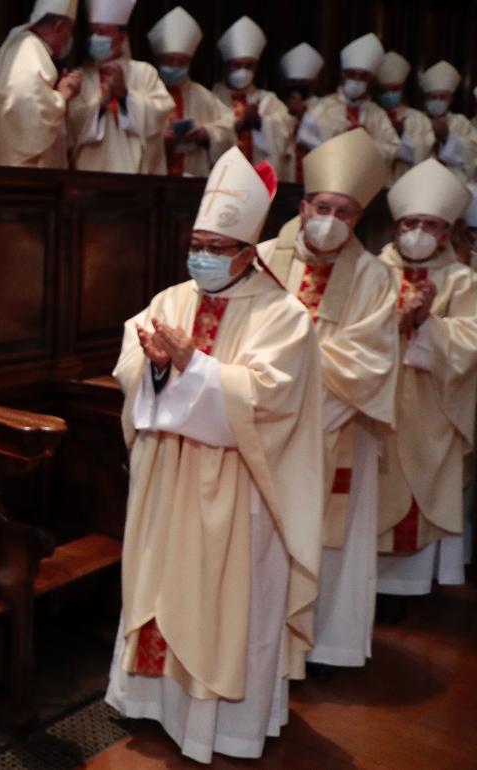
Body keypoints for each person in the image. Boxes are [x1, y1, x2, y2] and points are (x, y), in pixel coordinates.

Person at [106, 146, 323, 763]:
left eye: (215, 246)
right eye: (196, 242)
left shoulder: (285, 318)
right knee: (157, 588)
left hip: (238, 493)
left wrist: (191, 366)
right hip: (165, 485)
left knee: (224, 608)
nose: (200, 256)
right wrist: (149, 365)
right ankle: (153, 707)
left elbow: (270, 400)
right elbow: (130, 363)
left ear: (249, 253)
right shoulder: (171, 299)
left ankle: (219, 728)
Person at [258, 129, 399, 670]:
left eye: (346, 212)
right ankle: (268, 648)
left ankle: (321, 647)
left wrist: (294, 381)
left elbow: (370, 362)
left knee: (329, 540)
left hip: (334, 429)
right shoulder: (266, 257)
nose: (332, 220)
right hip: (264, 425)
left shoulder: (372, 276)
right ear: (303, 204)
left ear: (359, 218)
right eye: (324, 207)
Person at [376, 159, 477, 598]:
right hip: (375, 404)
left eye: (431, 224)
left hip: (433, 408)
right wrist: (398, 319)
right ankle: (371, 586)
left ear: (446, 231)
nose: (419, 231)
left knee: (422, 485)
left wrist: (425, 324)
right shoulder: (370, 271)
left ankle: (409, 587)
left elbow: (470, 339)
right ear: (396, 227)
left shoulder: (462, 279)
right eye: (411, 222)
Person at [0, 0, 81, 168]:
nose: (69, 40)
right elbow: (25, 107)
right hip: (17, 175)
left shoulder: (24, 46)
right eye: (70, 30)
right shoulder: (29, 50)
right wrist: (62, 97)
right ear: (58, 27)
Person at [67, 0, 173, 174]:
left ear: (122, 37)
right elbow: (71, 124)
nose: (95, 38)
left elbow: (160, 113)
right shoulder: (81, 76)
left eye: (102, 32)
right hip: (88, 170)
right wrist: (100, 103)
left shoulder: (144, 73)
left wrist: (125, 95)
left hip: (132, 170)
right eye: (92, 32)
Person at [146, 7, 234, 177]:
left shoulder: (203, 96)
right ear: (159, 60)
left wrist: (206, 132)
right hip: (154, 178)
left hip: (192, 178)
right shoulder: (146, 90)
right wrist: (158, 140)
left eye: (182, 62)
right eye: (170, 60)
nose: (175, 66)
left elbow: (230, 130)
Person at [298, 33, 400, 174]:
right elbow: (305, 141)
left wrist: (367, 142)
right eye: (351, 74)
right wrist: (341, 139)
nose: (356, 80)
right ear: (343, 74)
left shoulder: (377, 114)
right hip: (328, 176)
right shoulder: (322, 107)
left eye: (363, 76)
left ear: (371, 79)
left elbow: (393, 149)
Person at [212, 16, 293, 180]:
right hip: (223, 179)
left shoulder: (269, 100)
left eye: (249, 65)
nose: (243, 71)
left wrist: (261, 122)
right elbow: (207, 134)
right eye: (237, 65)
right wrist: (239, 124)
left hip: (259, 179)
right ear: (227, 66)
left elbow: (286, 134)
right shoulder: (210, 98)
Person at [376, 51, 435, 182]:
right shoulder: (373, 114)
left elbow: (421, 156)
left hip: (407, 183)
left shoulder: (418, 119)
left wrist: (402, 134)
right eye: (385, 90)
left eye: (395, 89)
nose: (390, 94)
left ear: (402, 89)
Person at [420, 61, 477, 183]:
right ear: (426, 99)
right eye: (433, 97)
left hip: (454, 183)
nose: (438, 101)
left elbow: (472, 153)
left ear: (451, 99)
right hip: (422, 181)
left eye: (443, 97)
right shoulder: (417, 120)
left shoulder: (461, 122)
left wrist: (447, 137)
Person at [278, 42, 324, 183]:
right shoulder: (277, 107)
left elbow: (324, 143)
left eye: (303, 82)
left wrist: (303, 116)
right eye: (294, 82)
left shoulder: (325, 107)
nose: (298, 87)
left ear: (314, 82)